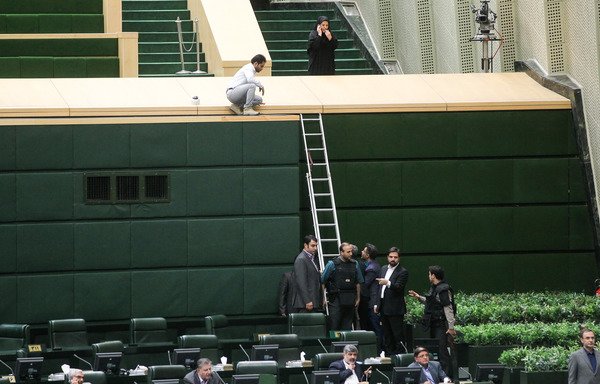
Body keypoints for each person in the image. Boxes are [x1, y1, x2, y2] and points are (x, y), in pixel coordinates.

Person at [408, 266, 457, 379]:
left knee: (442, 352)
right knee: (437, 351)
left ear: (433, 276)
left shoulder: (443, 289)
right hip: (433, 324)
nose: (429, 276)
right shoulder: (435, 288)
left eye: (429, 274)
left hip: (442, 325)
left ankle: (447, 378)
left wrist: (451, 327)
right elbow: (432, 303)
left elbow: (448, 308)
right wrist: (418, 297)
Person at [374, 247, 408, 355]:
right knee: (386, 334)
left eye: (395, 257)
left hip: (395, 308)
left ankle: (399, 357)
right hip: (383, 306)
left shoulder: (403, 272)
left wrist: (388, 283)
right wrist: (377, 303)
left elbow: (399, 287)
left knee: (397, 335)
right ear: (387, 257)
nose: (393, 259)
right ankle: (389, 357)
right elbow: (379, 289)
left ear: (399, 258)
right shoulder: (383, 268)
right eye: (391, 257)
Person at [321, 242, 364, 330]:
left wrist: (358, 298)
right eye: (348, 252)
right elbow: (322, 281)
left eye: (351, 251)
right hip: (335, 299)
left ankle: (346, 344)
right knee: (334, 325)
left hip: (350, 299)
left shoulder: (355, 264)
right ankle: (333, 343)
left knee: (347, 326)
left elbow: (358, 282)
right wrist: (324, 298)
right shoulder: (332, 264)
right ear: (341, 252)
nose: (351, 254)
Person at [357, 244, 382, 349]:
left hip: (372, 301)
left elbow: (365, 284)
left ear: (368, 255)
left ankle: (379, 349)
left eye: (364, 251)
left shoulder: (371, 268)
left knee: (375, 328)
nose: (361, 252)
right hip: (372, 300)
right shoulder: (375, 265)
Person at [292, 235, 321, 312]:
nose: (315, 248)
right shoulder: (301, 259)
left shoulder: (312, 258)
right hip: (305, 304)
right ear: (305, 245)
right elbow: (301, 282)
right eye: (312, 245)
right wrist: (307, 301)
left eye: (316, 246)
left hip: (313, 301)